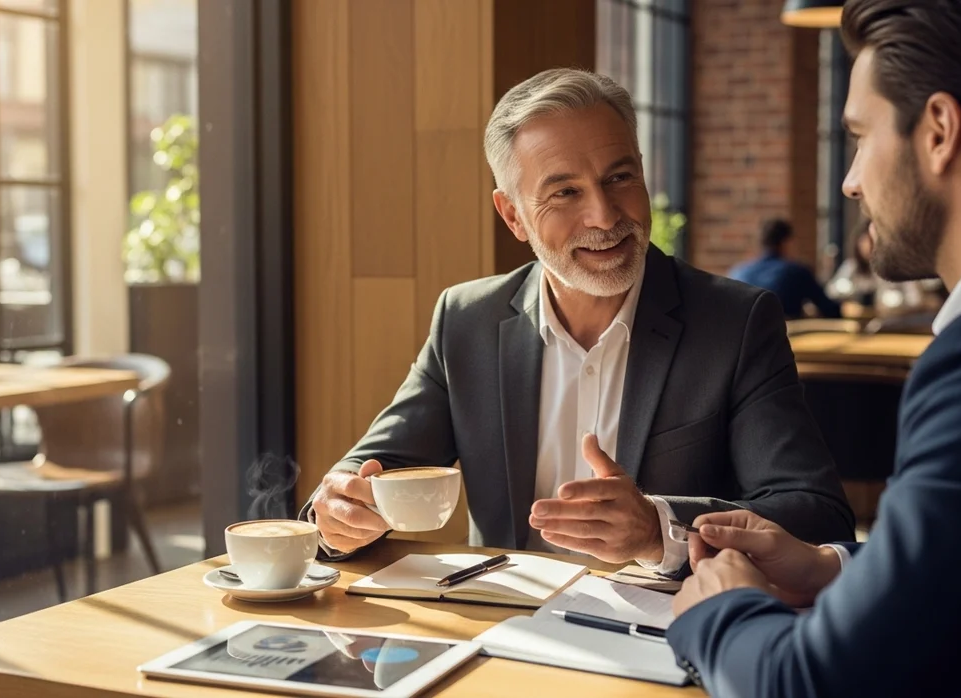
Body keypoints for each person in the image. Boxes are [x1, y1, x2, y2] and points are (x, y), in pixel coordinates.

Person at [662, 2, 961, 695]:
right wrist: (833, 567)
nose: (849, 180)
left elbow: (820, 682)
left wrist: (719, 609)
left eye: (859, 136)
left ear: (940, 132)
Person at [299, 68, 853, 575]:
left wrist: (659, 528)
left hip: (665, 637)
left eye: (619, 178)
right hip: (505, 637)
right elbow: (374, 468)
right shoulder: (466, 319)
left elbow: (816, 516)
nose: (605, 216)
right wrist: (340, 512)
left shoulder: (735, 321)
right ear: (513, 215)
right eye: (565, 192)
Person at [728, 218, 841, 319]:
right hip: (784, 337)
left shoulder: (738, 272)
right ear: (787, 242)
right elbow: (829, 309)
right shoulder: (797, 271)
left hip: (740, 338)